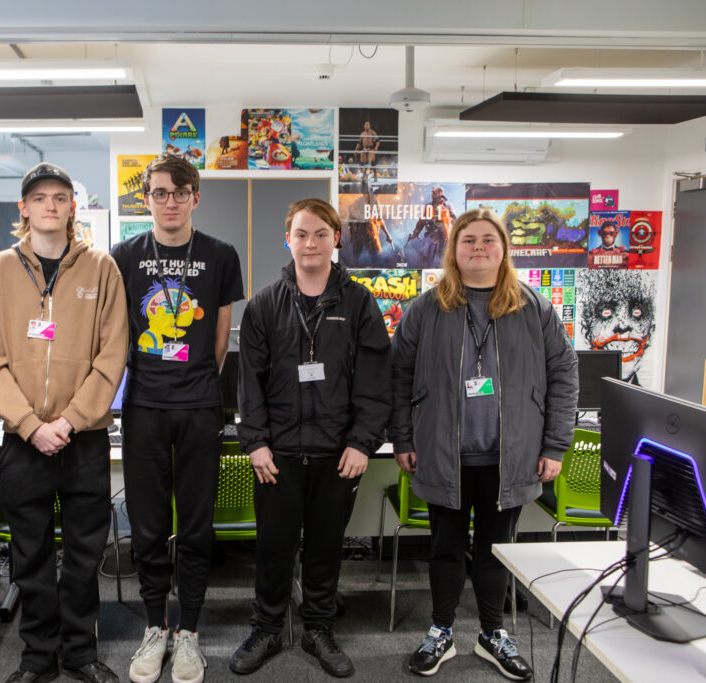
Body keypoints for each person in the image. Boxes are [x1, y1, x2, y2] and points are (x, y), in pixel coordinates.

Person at [390, 208, 578, 680]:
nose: (477, 248)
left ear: (503, 249)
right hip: (442, 454)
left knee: (498, 550)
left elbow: (563, 374)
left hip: (509, 457)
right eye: (467, 240)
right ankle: (441, 631)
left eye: (487, 240)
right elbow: (398, 377)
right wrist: (402, 437)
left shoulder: (533, 306)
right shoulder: (427, 307)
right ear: (453, 250)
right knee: (445, 548)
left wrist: (555, 445)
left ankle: (493, 633)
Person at [0, 162, 128, 683]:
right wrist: (28, 423)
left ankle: (79, 654)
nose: (51, 206)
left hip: (83, 441)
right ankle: (38, 657)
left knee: (84, 558)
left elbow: (112, 355)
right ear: (24, 208)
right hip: (22, 442)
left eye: (61, 197)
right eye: (40, 198)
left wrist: (71, 419)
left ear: (72, 207)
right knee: (30, 556)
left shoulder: (102, 268)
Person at [229, 198, 391, 678]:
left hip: (337, 454)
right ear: (289, 241)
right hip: (277, 454)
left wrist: (363, 442)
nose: (311, 243)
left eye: (321, 233)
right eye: (302, 234)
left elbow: (375, 381)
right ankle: (266, 627)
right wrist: (255, 441)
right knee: (273, 547)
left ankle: (319, 627)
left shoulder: (359, 303)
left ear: (336, 239)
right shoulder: (264, 304)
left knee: (325, 547)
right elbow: (248, 384)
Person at [110, 155, 244, 683]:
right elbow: (117, 337)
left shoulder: (220, 255)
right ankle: (154, 628)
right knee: (146, 526)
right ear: (147, 199)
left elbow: (218, 343)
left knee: (194, 526)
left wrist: (193, 390)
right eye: (160, 193)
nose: (169, 202)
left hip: (197, 407)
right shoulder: (124, 256)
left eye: (179, 192)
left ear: (195, 196)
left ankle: (188, 633)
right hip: (143, 406)